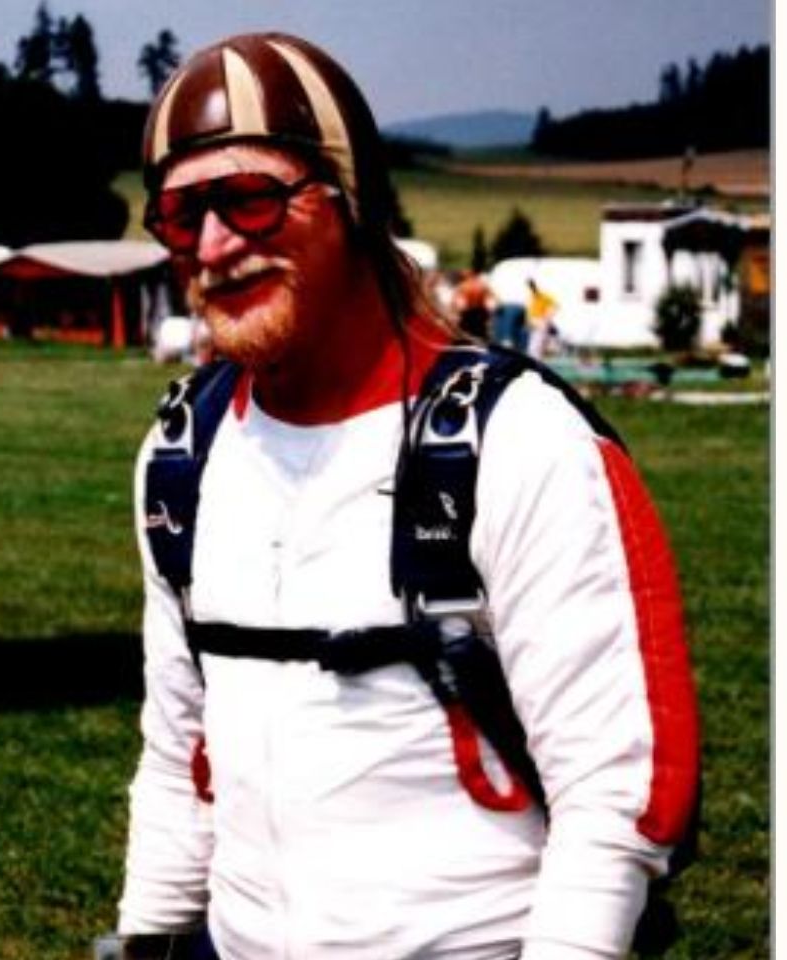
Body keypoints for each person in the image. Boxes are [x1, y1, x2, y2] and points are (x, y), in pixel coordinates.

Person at [115, 32, 699, 960]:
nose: (216, 246)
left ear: (350, 201)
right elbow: (179, 755)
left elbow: (621, 790)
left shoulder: (514, 440)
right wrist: (146, 936)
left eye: (252, 200)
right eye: (182, 217)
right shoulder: (180, 455)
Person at [453, 268, 496, 339]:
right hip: (481, 315)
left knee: (464, 338)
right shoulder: (483, 286)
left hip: (467, 316)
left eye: (464, 270)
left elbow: (459, 305)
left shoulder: (463, 287)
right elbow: (493, 303)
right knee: (480, 338)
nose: (461, 271)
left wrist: (457, 313)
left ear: (470, 272)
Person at [525, 278, 559, 359]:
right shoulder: (536, 297)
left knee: (536, 346)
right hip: (537, 322)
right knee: (536, 345)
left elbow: (553, 308)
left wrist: (546, 319)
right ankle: (536, 358)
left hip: (539, 321)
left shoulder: (542, 296)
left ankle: (536, 359)